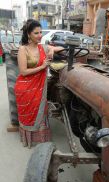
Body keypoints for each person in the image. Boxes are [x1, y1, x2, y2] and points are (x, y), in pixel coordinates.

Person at [14, 19, 63, 148]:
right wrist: (42, 67)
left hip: (39, 88)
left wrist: (52, 50)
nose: (40, 35)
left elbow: (61, 47)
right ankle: (29, 140)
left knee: (41, 111)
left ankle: (40, 139)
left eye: (41, 32)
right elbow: (23, 71)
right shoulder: (23, 50)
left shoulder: (43, 47)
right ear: (29, 34)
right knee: (29, 115)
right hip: (25, 88)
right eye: (36, 33)